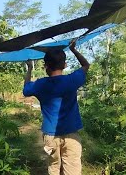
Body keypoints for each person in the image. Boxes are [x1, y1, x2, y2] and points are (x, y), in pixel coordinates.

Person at [23, 41, 89, 175]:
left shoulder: (40, 85)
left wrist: (29, 69)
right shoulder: (72, 80)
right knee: (73, 168)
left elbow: (26, 89)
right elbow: (86, 65)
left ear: (46, 66)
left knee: (53, 166)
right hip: (72, 134)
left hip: (50, 136)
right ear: (65, 65)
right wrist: (73, 50)